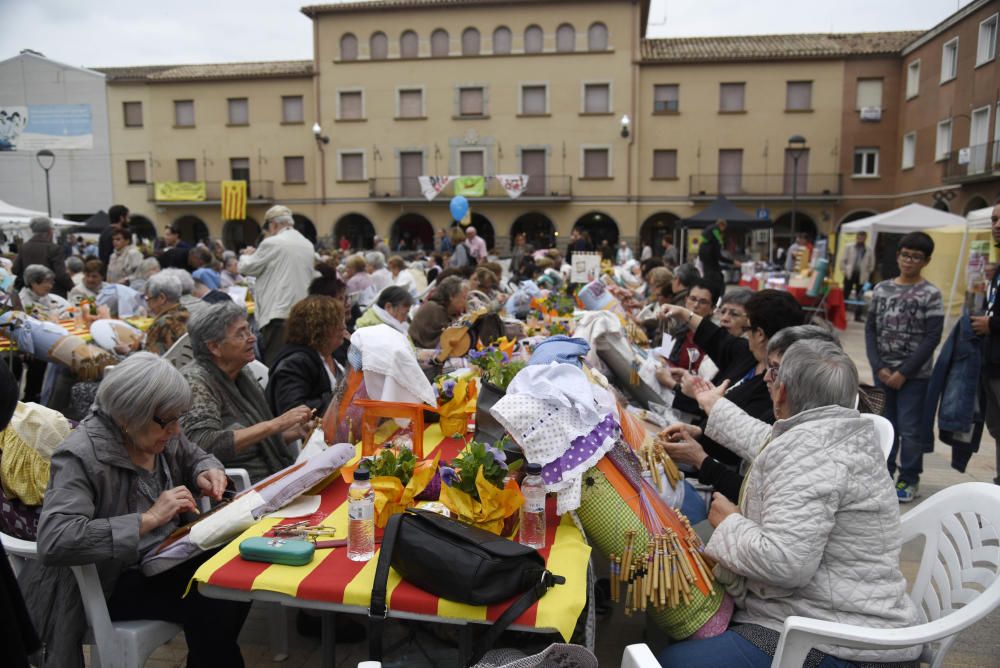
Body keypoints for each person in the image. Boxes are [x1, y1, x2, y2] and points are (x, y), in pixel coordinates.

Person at [657, 340, 921, 668]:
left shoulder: (809, 451)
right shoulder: (841, 432)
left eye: (773, 373)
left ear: (782, 393)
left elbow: (786, 562)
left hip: (839, 641)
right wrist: (712, 409)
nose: (768, 380)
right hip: (841, 615)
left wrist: (730, 523)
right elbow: (765, 440)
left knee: (668, 660)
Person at [19, 353, 251, 667]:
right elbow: (56, 539)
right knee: (212, 595)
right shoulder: (81, 456)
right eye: (169, 420)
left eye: (178, 418)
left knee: (240, 571)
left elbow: (195, 455)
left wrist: (205, 471)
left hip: (163, 560)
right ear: (129, 416)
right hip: (109, 580)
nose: (176, 429)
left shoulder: (158, 433)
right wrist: (149, 519)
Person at [180, 302, 314, 482]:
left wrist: (296, 432)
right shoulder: (196, 382)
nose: (252, 338)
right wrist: (275, 424)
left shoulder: (242, 373)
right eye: (240, 334)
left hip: (269, 475)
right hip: (236, 487)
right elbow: (204, 443)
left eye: (249, 330)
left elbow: (258, 441)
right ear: (214, 347)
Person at [867, 232, 943, 503]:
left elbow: (932, 337)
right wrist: (878, 366)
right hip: (883, 373)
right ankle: (885, 473)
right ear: (897, 255)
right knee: (886, 425)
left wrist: (904, 372)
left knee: (911, 429)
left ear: (926, 260)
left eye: (916, 257)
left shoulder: (931, 294)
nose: (909, 261)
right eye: (905, 255)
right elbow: (870, 329)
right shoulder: (881, 289)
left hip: (915, 377)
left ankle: (909, 477)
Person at [238, 205, 316, 365]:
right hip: (303, 315)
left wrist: (246, 256)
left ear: (272, 225)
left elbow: (246, 268)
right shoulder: (307, 244)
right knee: (299, 363)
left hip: (279, 316)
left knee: (276, 365)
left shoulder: (273, 243)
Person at [266, 295, 347, 416]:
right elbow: (292, 409)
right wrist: (342, 398)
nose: (343, 327)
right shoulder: (295, 363)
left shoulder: (330, 354)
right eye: (337, 323)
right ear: (318, 329)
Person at [972, 199, 1000, 485]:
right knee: (997, 429)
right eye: (993, 220)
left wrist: (991, 324)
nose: (997, 225)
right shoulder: (997, 270)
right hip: (991, 365)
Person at [12, 216, 74, 297]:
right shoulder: (54, 249)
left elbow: (15, 270)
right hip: (52, 294)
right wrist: (73, 288)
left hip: (29, 293)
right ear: (49, 231)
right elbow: (61, 275)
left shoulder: (23, 247)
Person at [409, 276, 468, 349]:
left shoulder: (447, 311)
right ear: (451, 296)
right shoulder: (433, 309)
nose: (466, 302)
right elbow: (445, 341)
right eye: (464, 297)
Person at [143, 272, 190, 355]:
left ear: (162, 298)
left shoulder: (163, 323)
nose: (147, 304)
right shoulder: (186, 314)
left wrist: (129, 352)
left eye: (148, 299)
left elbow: (148, 359)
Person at [840, 230, 876, 322]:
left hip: (862, 276)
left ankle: (858, 316)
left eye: (863, 237)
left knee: (860, 295)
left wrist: (868, 273)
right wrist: (844, 270)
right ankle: (841, 314)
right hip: (850, 274)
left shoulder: (869, 249)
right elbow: (843, 260)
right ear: (856, 237)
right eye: (859, 236)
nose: (861, 238)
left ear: (865, 238)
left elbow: (872, 264)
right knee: (845, 294)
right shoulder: (849, 247)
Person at [699, 219, 726, 300]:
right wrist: (720, 241)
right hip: (713, 271)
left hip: (706, 267)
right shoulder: (715, 228)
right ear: (721, 225)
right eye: (724, 227)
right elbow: (717, 235)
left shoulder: (704, 245)